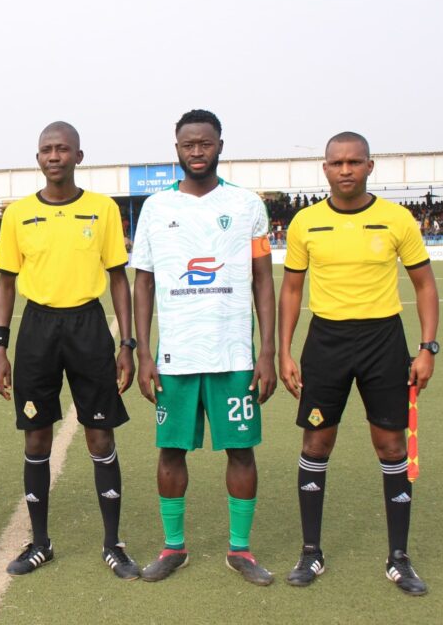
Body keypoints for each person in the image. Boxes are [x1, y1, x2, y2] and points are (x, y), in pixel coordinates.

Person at [279, 132, 439, 596]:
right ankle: (311, 552)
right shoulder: (306, 222)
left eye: (354, 162)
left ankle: (399, 558)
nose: (345, 170)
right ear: (325, 169)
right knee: (316, 442)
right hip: (326, 342)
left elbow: (425, 285)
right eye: (337, 162)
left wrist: (427, 348)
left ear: (370, 166)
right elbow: (292, 289)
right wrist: (284, 351)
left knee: (391, 445)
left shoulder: (397, 219)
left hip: (383, 341)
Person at [131, 109, 277, 586]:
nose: (197, 151)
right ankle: (173, 547)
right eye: (188, 144)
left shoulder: (247, 205)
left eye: (205, 143)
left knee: (241, 451)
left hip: (234, 355)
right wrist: (145, 354)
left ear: (220, 146)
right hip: (175, 358)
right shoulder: (156, 208)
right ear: (176, 149)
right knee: (171, 451)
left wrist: (267, 352)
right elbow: (143, 283)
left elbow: (263, 280)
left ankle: (241, 550)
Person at [0, 121, 139, 580]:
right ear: (38, 158)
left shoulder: (102, 209)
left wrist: (127, 344)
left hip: (88, 327)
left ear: (79, 156)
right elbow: (5, 282)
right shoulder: (18, 214)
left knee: (101, 436)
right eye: (46, 149)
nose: (53, 156)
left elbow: (119, 278)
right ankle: (40, 543)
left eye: (62, 149)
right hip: (37, 328)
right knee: (36, 436)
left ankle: (113, 544)